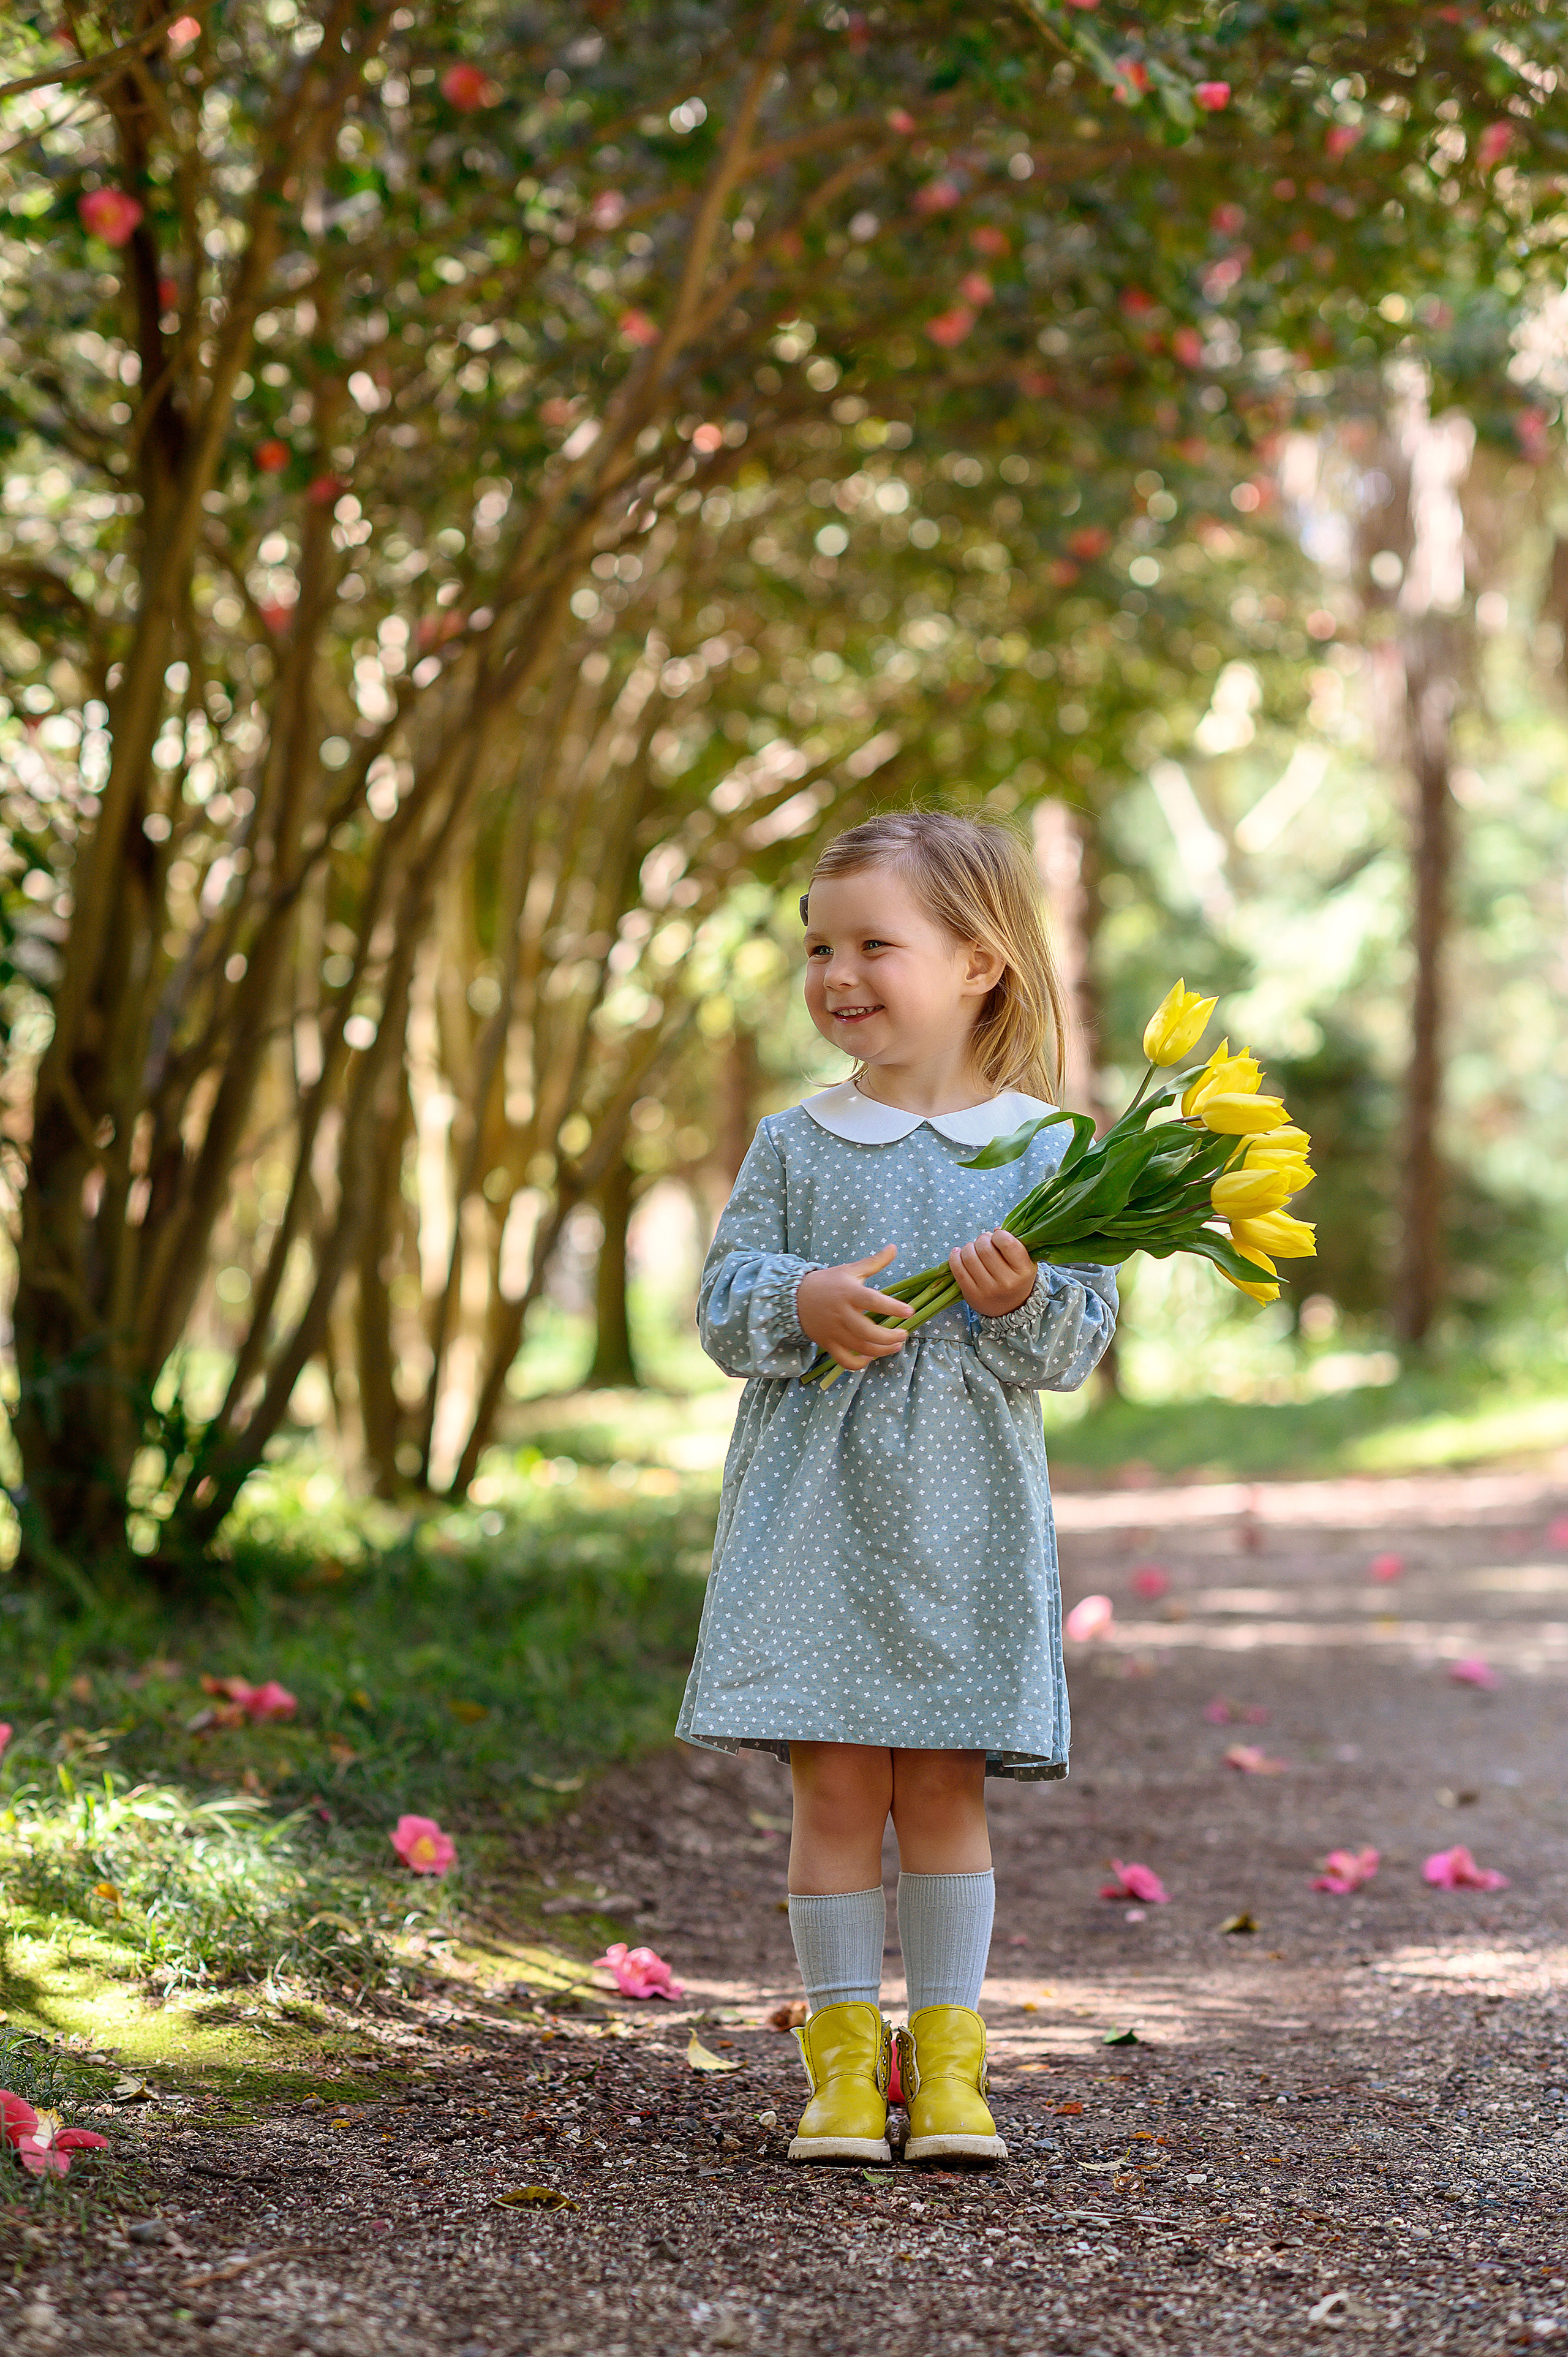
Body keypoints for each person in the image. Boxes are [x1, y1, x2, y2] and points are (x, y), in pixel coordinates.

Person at [676, 809, 1115, 2166]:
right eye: (819, 946)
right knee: (832, 1788)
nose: (837, 974)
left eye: (875, 943)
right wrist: (800, 1297)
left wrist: (1022, 1296)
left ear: (978, 962)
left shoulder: (1045, 1148)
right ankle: (841, 2072)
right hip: (816, 1512)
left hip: (960, 1518)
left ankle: (954, 2063)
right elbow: (722, 1297)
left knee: (938, 1785)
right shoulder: (797, 1142)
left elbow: (1077, 1341)